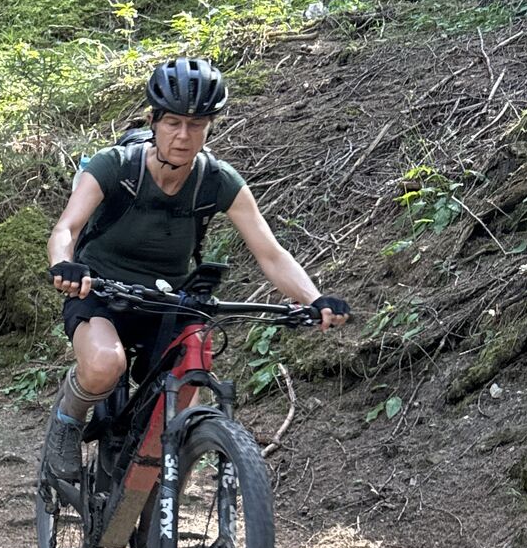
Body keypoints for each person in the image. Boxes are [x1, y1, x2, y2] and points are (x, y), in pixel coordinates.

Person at [43, 55, 350, 483]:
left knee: (191, 371)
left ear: (209, 127)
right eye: (173, 123)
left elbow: (270, 253)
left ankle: (160, 481)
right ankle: (67, 422)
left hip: (168, 301)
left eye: (197, 124)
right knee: (104, 365)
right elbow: (67, 228)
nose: (184, 136)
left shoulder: (216, 180)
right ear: (153, 121)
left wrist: (314, 298)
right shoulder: (117, 166)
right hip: (101, 292)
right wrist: (66, 265)